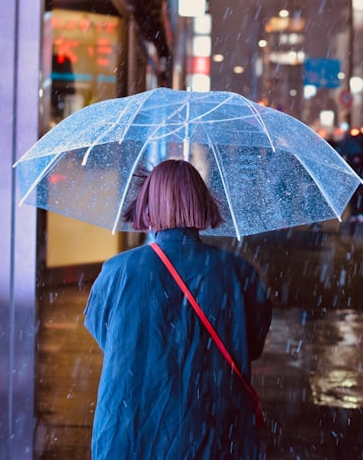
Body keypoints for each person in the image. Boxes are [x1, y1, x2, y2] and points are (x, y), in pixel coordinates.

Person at [84, 159, 272, 459]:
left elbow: (108, 337)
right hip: (217, 430)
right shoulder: (238, 273)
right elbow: (251, 344)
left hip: (133, 429)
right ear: (202, 203)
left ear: (148, 206)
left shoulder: (118, 271)